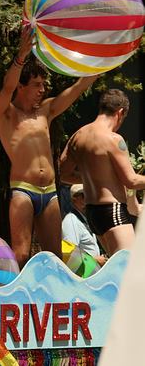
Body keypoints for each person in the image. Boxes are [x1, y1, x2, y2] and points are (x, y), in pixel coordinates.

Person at [0, 28, 99, 268]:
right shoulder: (6, 113)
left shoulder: (46, 110)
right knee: (20, 255)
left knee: (54, 257)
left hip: (50, 191)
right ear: (22, 87)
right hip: (23, 190)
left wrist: (99, 61)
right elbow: (7, 87)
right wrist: (20, 57)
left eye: (44, 84)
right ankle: (18, 302)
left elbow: (80, 87)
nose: (42, 89)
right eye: (37, 85)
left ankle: (50, 301)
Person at [59, 89, 145, 254]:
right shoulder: (114, 139)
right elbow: (131, 181)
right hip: (113, 211)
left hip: (92, 213)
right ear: (120, 113)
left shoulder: (78, 136)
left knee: (114, 268)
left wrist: (92, 178)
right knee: (127, 269)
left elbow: (63, 174)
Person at [61, 184, 105, 264]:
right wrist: (96, 261)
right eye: (84, 195)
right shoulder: (71, 221)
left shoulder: (86, 219)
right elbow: (69, 255)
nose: (89, 198)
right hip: (83, 274)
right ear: (74, 200)